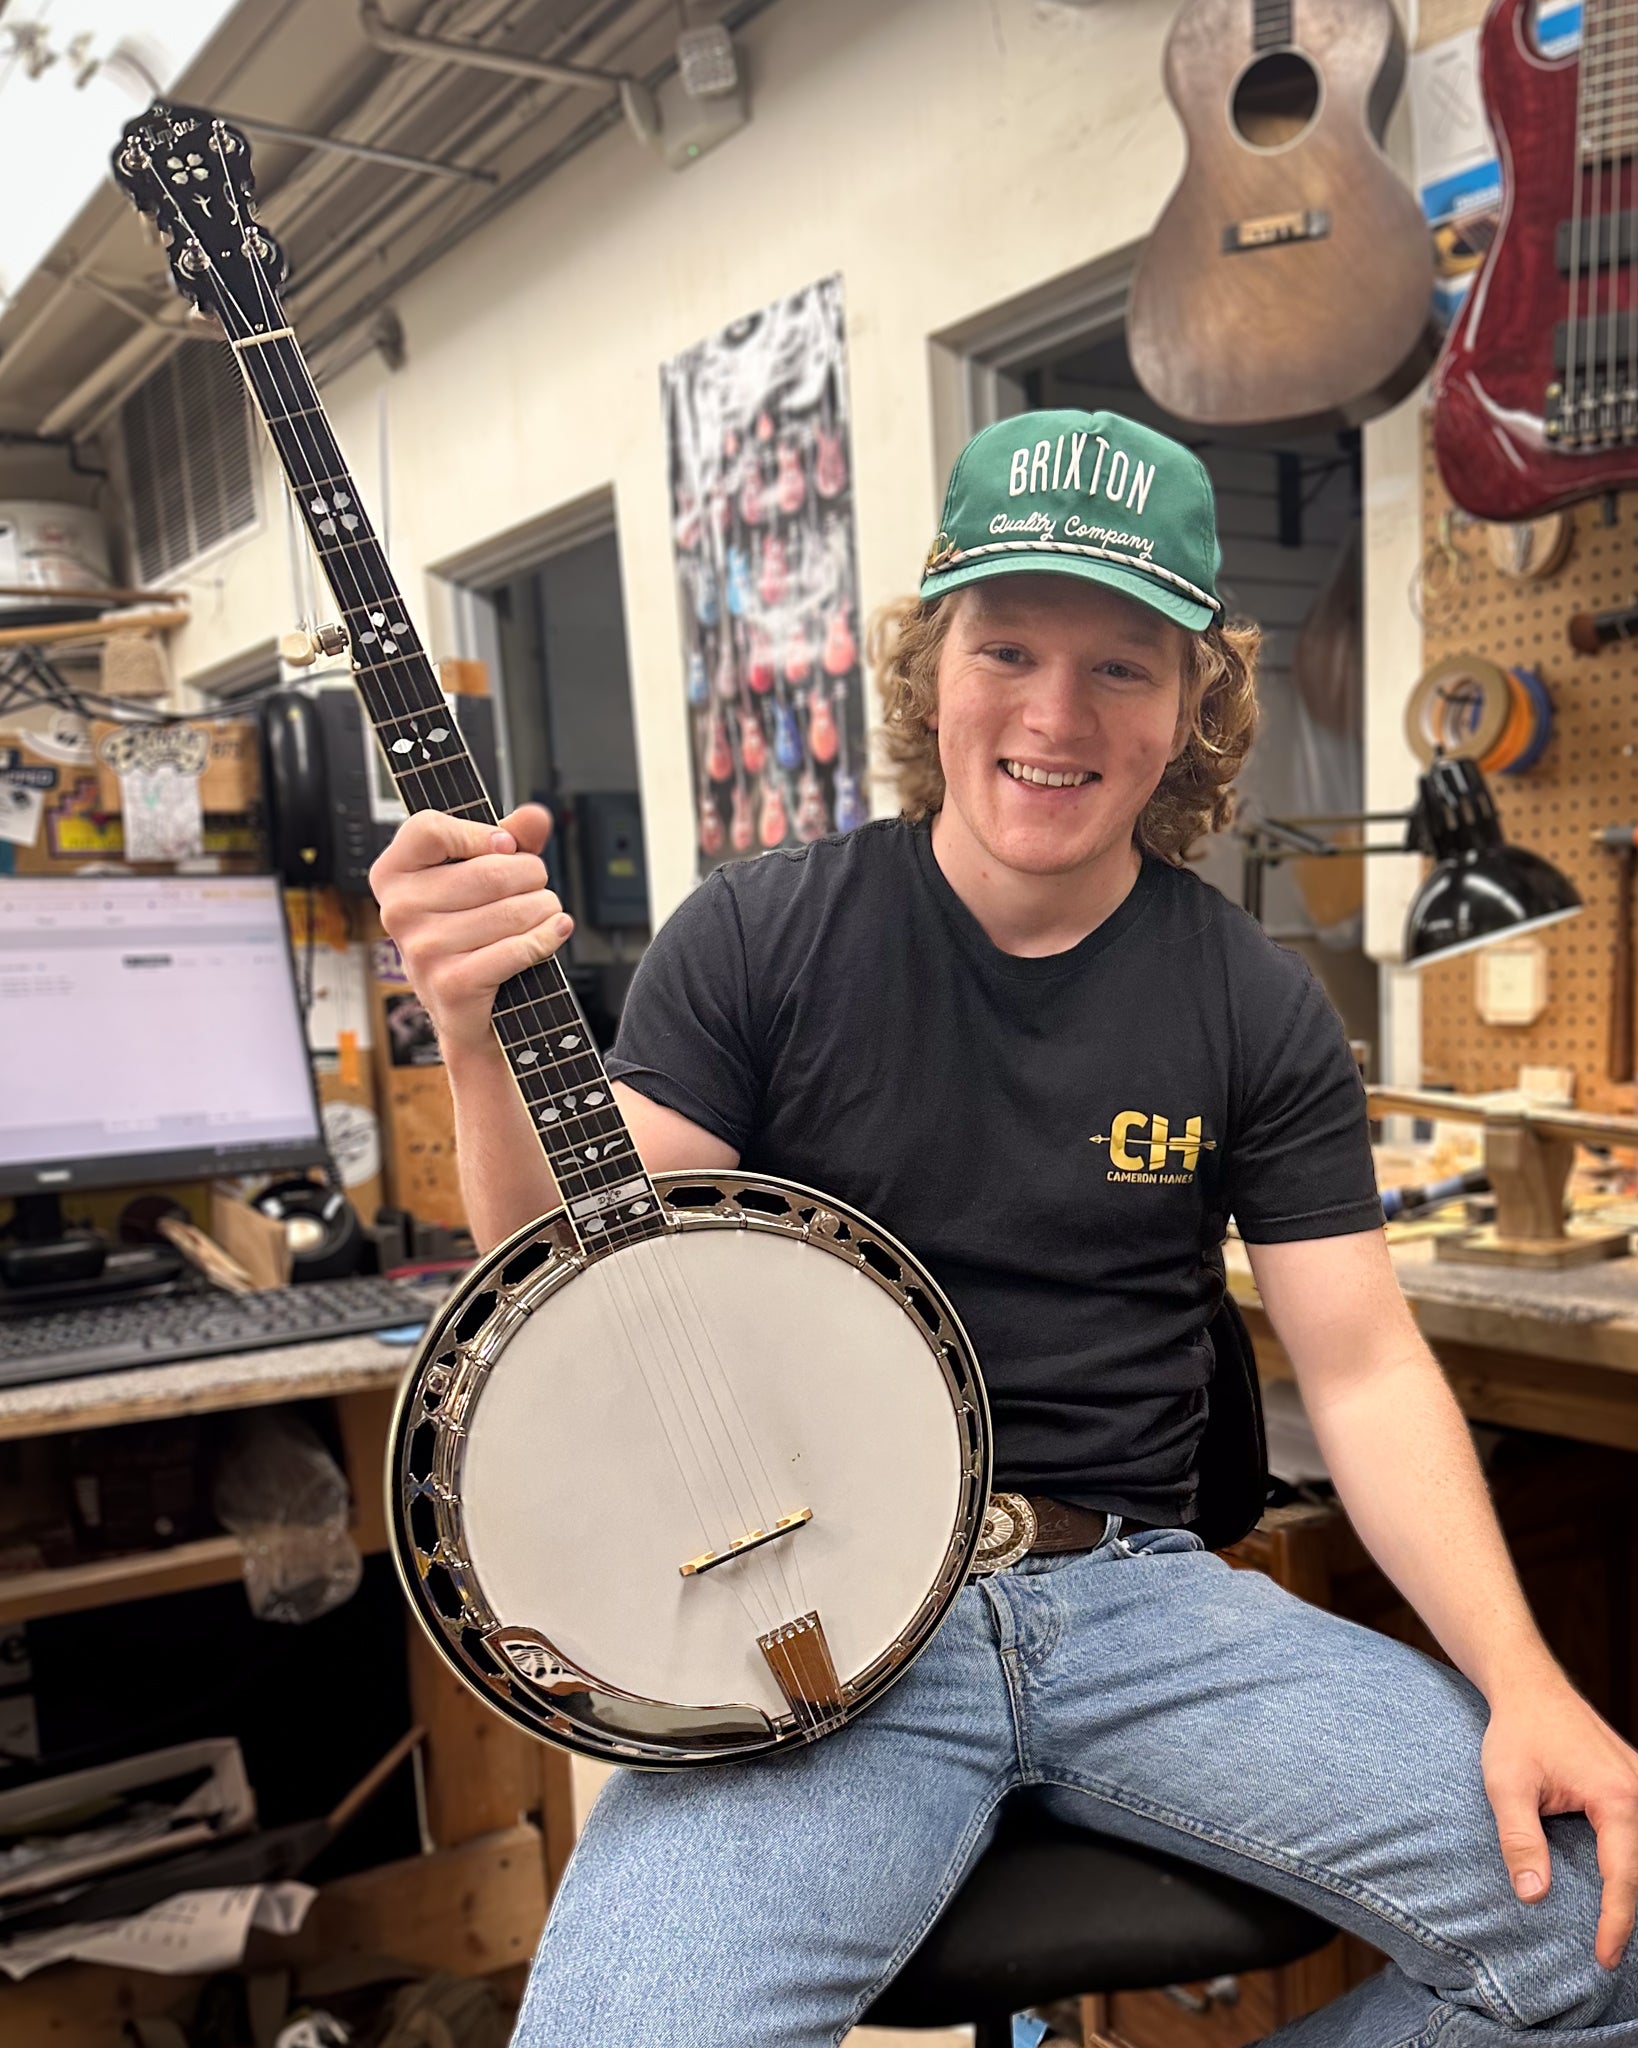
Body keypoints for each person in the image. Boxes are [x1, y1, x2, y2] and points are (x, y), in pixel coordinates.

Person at [371, 409, 1638, 2047]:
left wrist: (1528, 1681)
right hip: (811, 1624)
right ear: (931, 666)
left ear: (1192, 708)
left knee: (1601, 1938)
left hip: (1139, 1599)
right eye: (1010, 645)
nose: (1055, 713)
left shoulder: (1252, 999)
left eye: (1124, 664)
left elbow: (1366, 1367)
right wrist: (475, 1035)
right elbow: (581, 1277)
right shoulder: (761, 936)